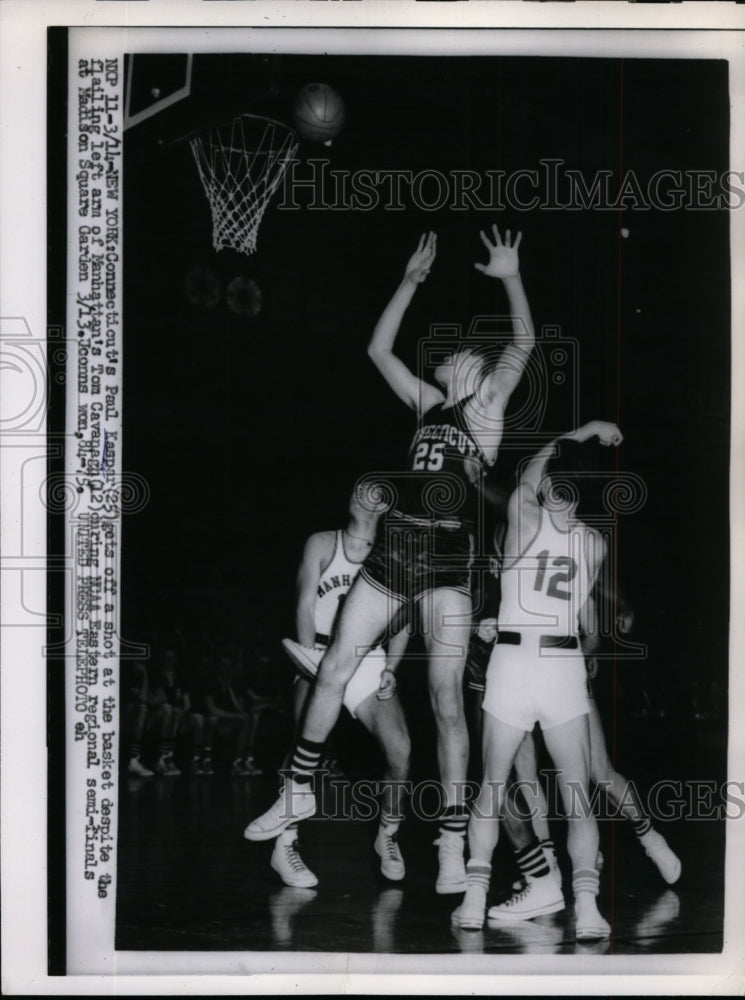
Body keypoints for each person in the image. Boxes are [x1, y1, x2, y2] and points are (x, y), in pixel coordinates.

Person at [245, 225, 535, 894]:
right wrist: (408, 281)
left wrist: (510, 275)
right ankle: (297, 788)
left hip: (447, 556)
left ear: (471, 365)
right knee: (332, 664)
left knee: (443, 700)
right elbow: (376, 348)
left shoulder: (486, 405)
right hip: (399, 543)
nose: (442, 355)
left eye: (454, 352)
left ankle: (452, 841)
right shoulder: (426, 404)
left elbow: (523, 342)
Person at [452, 420, 623, 940]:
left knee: (491, 787)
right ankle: (588, 908)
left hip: (513, 664)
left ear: (550, 483)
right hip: (562, 667)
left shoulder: (525, 515)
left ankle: (475, 895)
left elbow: (529, 470)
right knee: (578, 795)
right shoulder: (595, 542)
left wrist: (588, 428)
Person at [255, 484, 412, 889]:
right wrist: (308, 656)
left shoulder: (395, 551)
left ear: (387, 504)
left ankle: (388, 835)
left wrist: (392, 665)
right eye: (358, 486)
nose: (363, 492)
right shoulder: (323, 542)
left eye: (375, 489)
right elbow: (305, 601)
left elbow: (404, 619)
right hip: (322, 652)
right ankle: (285, 845)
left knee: (401, 751)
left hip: (368, 658)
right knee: (301, 743)